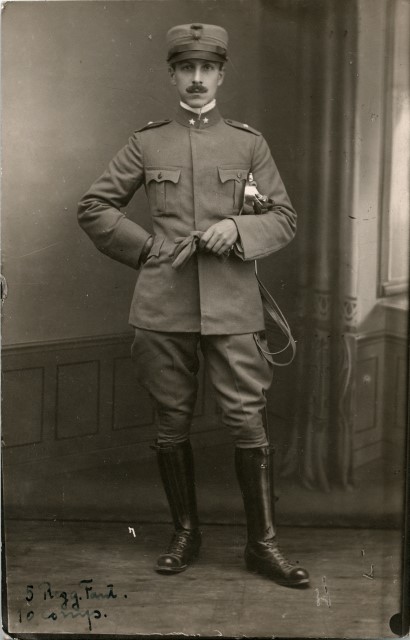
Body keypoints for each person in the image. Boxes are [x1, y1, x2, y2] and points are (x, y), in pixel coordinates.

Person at [78, 23, 309, 588]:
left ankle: (263, 546)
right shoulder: (147, 142)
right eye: (187, 68)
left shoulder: (248, 143)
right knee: (171, 419)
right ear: (173, 74)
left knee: (247, 419)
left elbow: (283, 217)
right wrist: (148, 248)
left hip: (233, 305)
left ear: (222, 75)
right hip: (163, 303)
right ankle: (185, 535)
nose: (198, 78)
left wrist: (237, 227)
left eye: (208, 68)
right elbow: (95, 206)